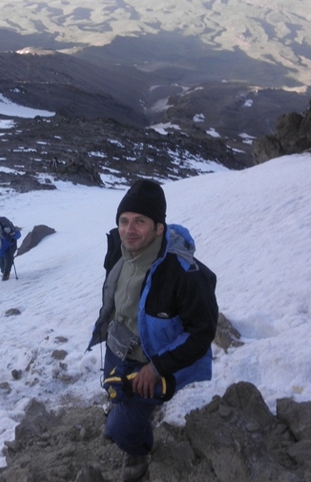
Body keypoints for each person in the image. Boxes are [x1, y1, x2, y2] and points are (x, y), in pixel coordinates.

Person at [87, 179, 218, 482]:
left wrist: (157, 367)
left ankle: (138, 450)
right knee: (114, 392)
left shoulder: (182, 273)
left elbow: (202, 331)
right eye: (124, 221)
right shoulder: (119, 252)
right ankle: (128, 414)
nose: (129, 229)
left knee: (122, 430)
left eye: (140, 222)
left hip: (157, 361)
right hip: (119, 347)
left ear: (159, 228)